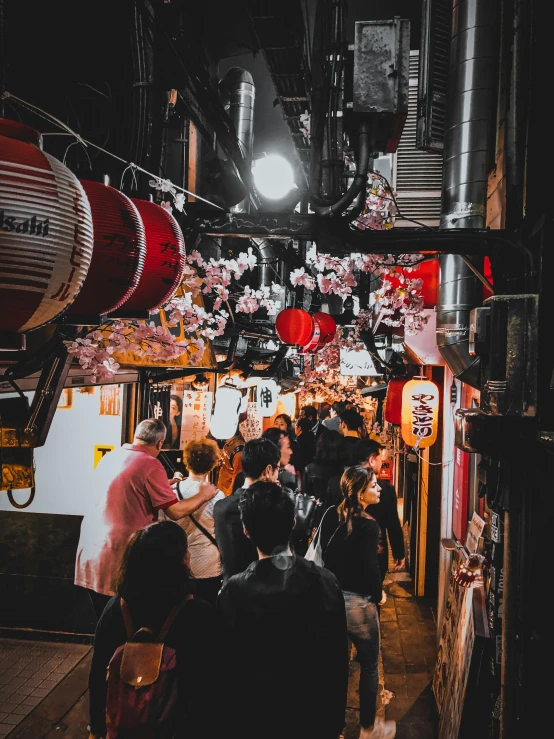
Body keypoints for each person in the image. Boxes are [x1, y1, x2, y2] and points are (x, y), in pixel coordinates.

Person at [217, 481, 349, 739]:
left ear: (246, 531)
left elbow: (228, 670)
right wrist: (335, 723)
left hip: (256, 720)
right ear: (292, 523)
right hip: (314, 718)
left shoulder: (234, 592)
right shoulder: (324, 581)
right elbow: (337, 660)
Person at [87, 521, 220, 739]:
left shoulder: (117, 608)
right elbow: (209, 685)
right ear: (181, 561)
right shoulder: (198, 614)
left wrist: (96, 728)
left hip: (125, 728)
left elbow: (98, 673)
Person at [75, 419, 217, 619]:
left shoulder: (112, 456)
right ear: (159, 443)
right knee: (124, 623)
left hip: (91, 549)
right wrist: (204, 495)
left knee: (104, 620)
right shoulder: (150, 464)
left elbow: (126, 488)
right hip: (120, 553)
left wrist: (163, 485)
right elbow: (175, 512)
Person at [321, 466, 396, 739]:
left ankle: (334, 728)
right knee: (369, 665)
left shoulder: (331, 515)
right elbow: (369, 569)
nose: (379, 489)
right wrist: (378, 595)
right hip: (359, 604)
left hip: (331, 599)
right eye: (374, 485)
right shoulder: (367, 524)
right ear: (361, 491)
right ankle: (368, 727)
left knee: (336, 667)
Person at [167, 438, 226, 606]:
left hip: (178, 565)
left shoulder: (172, 491)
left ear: (187, 462)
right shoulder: (218, 496)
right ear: (213, 464)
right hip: (209, 565)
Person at [213, 437, 280, 581]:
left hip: (230, 587)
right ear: (269, 470)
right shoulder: (272, 507)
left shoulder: (220, 507)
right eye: (277, 469)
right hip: (262, 587)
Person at [351, 439, 405, 583]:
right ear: (372, 460)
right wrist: (398, 552)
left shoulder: (341, 484)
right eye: (380, 458)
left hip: (348, 555)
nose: (382, 462)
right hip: (375, 555)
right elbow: (393, 524)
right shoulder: (384, 490)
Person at [302, 429, 348, 507]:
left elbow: (306, 496)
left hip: (317, 512)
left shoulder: (309, 469)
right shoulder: (347, 471)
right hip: (340, 512)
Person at [216, 428, 245, 496]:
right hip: (222, 491)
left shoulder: (238, 452)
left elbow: (237, 480)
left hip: (227, 495)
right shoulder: (229, 443)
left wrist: (228, 498)